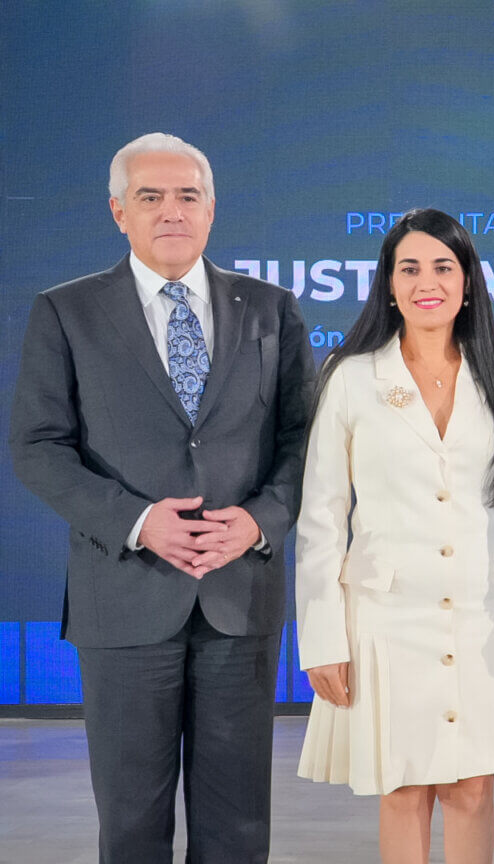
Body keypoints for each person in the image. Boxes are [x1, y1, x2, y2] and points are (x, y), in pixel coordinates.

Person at [8, 132, 313, 862]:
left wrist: (259, 521)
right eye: (151, 197)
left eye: (187, 196)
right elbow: (37, 446)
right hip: (124, 598)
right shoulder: (68, 311)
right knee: (132, 824)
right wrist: (138, 522)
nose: (171, 211)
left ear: (211, 209)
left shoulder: (270, 308)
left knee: (238, 825)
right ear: (119, 212)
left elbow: (306, 437)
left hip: (239, 599)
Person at [294, 208, 494, 864]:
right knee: (404, 787)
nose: (427, 282)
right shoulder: (351, 375)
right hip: (387, 616)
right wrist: (322, 638)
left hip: (485, 612)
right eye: (409, 268)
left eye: (443, 267)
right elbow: (321, 517)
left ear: (467, 281)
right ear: (389, 285)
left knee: (472, 789)